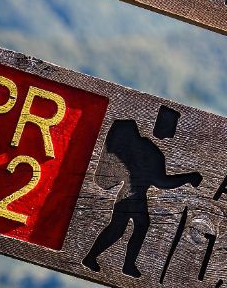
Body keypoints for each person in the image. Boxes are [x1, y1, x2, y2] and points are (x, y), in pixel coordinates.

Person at [84, 115, 201, 277]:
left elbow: (159, 181)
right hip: (132, 197)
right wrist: (189, 177)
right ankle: (109, 261)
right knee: (124, 228)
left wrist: (188, 178)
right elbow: (161, 182)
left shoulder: (135, 150)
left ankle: (113, 262)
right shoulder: (148, 151)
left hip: (130, 196)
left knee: (129, 227)